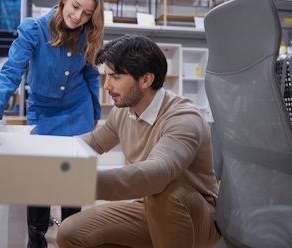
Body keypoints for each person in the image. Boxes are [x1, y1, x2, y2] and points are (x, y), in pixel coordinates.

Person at [0, 0, 104, 248]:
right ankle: (36, 243)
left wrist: (96, 113)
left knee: (72, 180)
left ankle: (72, 240)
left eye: (87, 13)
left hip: (78, 110)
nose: (78, 16)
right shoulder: (34, 29)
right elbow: (12, 70)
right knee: (40, 180)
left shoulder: (89, 36)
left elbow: (92, 76)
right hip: (43, 112)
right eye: (75, 6)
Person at [57, 34, 221, 248]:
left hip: (196, 218)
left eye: (115, 77)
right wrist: (50, 155)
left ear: (146, 79)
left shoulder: (183, 118)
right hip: (149, 207)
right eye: (106, 76)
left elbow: (157, 172)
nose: (106, 86)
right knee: (71, 233)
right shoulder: (124, 112)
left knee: (166, 192)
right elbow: (95, 142)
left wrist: (81, 181)